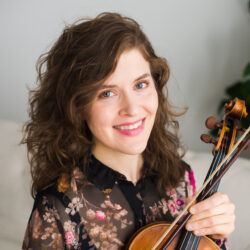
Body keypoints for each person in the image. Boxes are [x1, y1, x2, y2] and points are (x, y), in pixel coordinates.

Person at [21, 12, 235, 250]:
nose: (132, 109)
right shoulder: (58, 207)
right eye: (107, 93)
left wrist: (216, 236)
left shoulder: (179, 178)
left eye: (140, 84)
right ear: (78, 107)